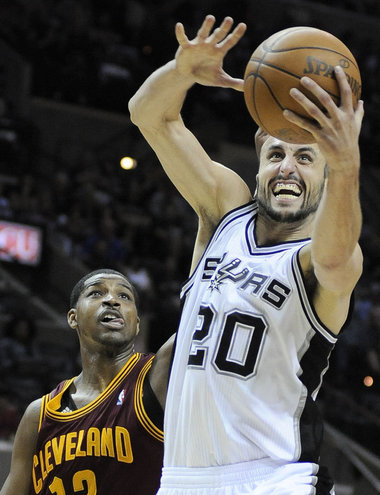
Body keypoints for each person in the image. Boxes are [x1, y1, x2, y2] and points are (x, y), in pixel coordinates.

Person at [128, 14, 364, 495]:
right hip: (181, 479)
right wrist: (181, 72)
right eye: (276, 155)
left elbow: (337, 261)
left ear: (325, 172)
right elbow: (148, 114)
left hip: (277, 479)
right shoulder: (224, 213)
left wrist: (346, 166)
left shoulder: (321, 259)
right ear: (258, 156)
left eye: (305, 158)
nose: (287, 169)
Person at [0, 268, 175, 495]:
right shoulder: (39, 414)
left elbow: (202, 310)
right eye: (96, 293)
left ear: (137, 323)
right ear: (73, 318)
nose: (112, 300)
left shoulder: (157, 375)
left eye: (124, 296)